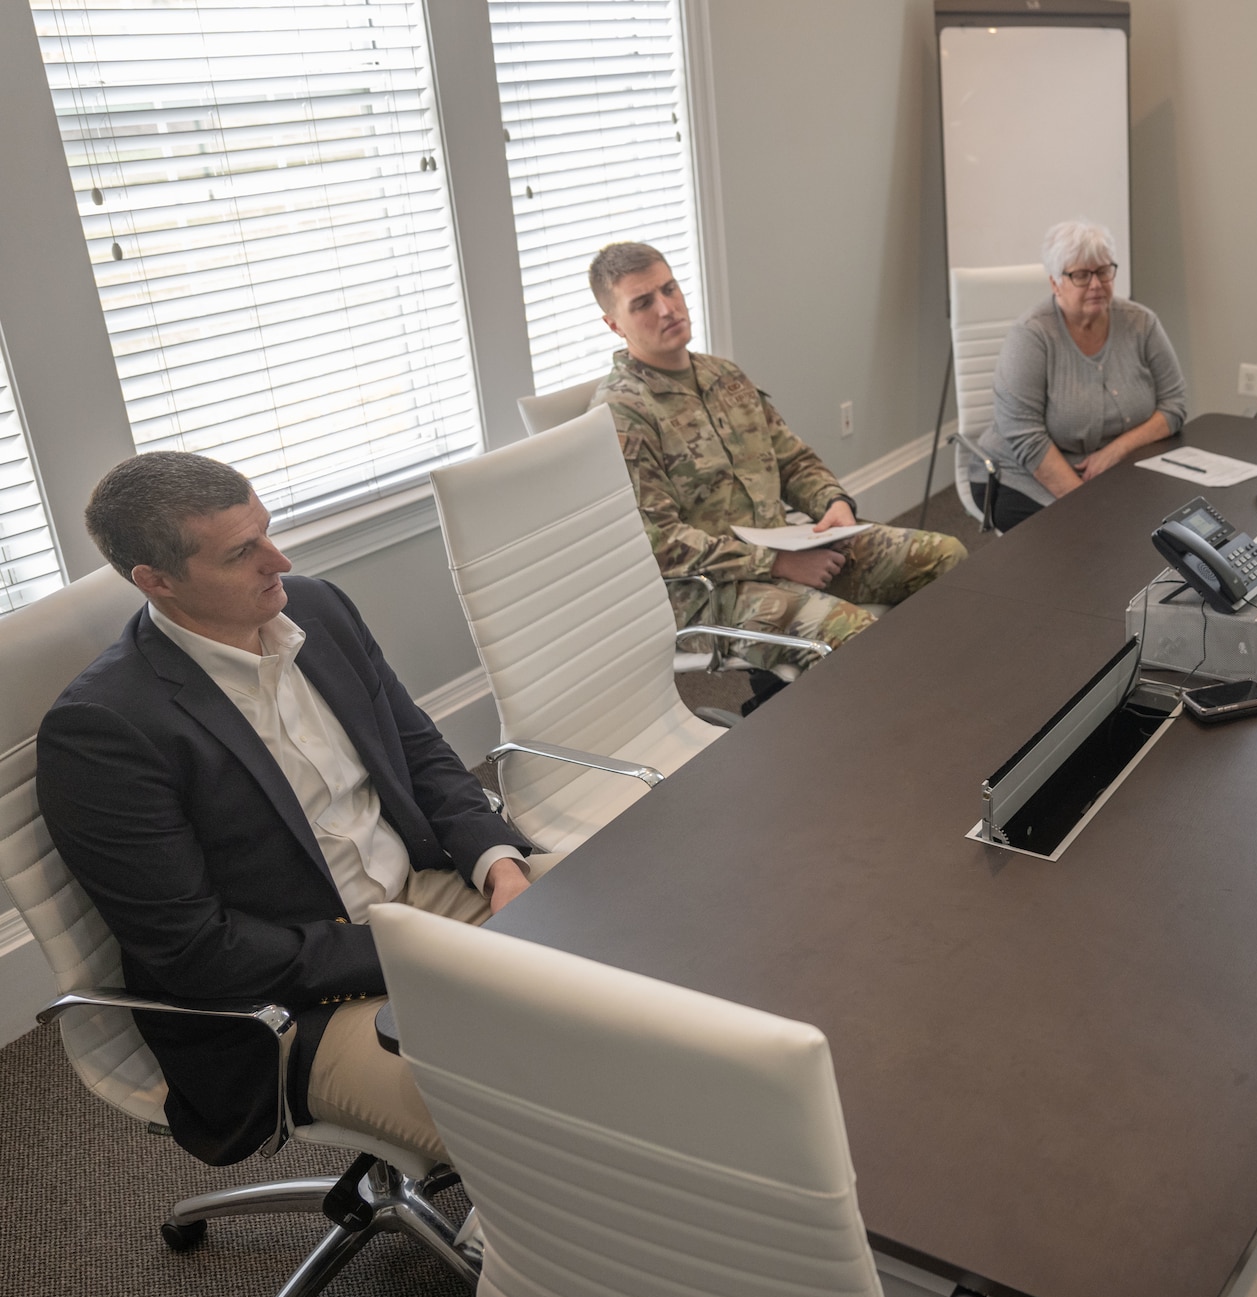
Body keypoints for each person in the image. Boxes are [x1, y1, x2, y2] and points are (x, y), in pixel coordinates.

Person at [38, 453, 536, 1167]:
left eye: (266, 531)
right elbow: (198, 953)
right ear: (156, 581)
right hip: (295, 1008)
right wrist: (416, 952)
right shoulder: (104, 731)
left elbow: (421, 754)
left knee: (652, 976)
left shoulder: (317, 608)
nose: (280, 558)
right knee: (539, 1118)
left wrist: (498, 867)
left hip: (433, 896)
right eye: (243, 552)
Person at [589, 242, 965, 675]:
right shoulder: (621, 414)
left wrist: (834, 505)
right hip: (710, 593)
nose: (667, 308)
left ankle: (941, 681)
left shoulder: (723, 376)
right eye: (643, 303)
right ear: (614, 324)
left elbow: (793, 461)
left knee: (944, 555)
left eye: (670, 289)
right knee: (855, 635)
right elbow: (661, 545)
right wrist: (778, 563)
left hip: (787, 547)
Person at [963, 220, 1188, 532]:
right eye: (1081, 275)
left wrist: (1117, 449)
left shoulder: (1142, 323)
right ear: (1056, 283)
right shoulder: (1031, 336)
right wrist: (1087, 503)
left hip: (1114, 471)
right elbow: (1024, 435)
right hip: (1021, 474)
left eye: (1103, 271)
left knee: (1173, 522)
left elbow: (1174, 406)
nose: (1096, 284)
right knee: (1089, 539)